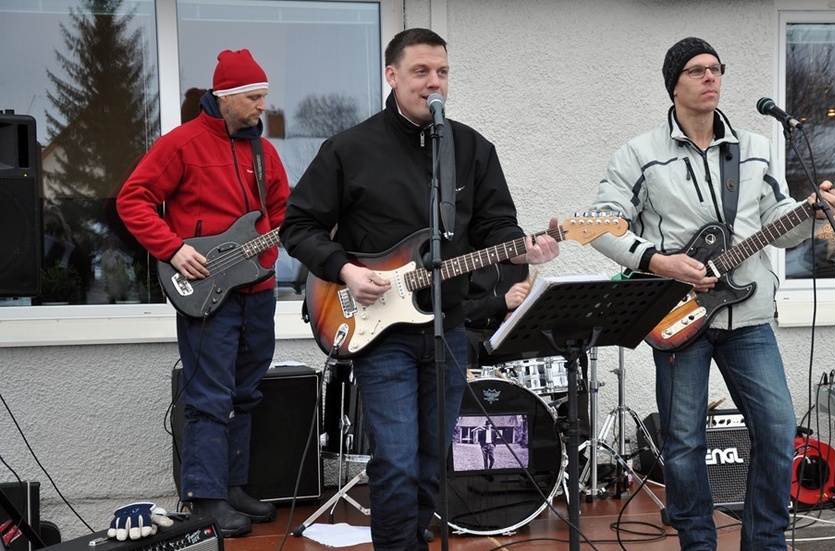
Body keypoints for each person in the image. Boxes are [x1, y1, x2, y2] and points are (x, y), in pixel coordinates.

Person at [279, 27, 560, 551]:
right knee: (397, 462)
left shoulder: (473, 149)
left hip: (446, 329)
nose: (435, 83)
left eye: (443, 72)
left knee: (433, 461)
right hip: (377, 331)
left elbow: (497, 227)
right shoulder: (349, 149)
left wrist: (523, 248)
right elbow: (298, 226)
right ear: (392, 75)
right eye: (421, 71)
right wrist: (345, 269)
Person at [588, 37, 835, 550]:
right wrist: (659, 261)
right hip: (679, 318)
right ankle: (698, 544)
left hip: (747, 315)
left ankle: (765, 542)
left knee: (776, 434)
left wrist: (811, 214)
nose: (710, 78)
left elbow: (776, 221)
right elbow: (599, 226)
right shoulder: (640, 155)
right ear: (674, 83)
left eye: (716, 69)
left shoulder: (754, 149)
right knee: (684, 444)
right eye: (696, 70)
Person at [115, 49, 289, 538]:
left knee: (246, 393)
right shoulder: (182, 144)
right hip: (205, 292)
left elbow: (281, 215)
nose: (262, 106)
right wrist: (172, 250)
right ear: (225, 97)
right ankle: (207, 501)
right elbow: (134, 199)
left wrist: (274, 252)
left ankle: (232, 488)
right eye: (254, 97)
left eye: (263, 97)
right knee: (209, 397)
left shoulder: (265, 153)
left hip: (258, 290)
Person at [462, 263, 530, 370]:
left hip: (497, 333)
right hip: (464, 330)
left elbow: (517, 300)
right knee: (464, 344)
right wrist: (502, 302)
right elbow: (452, 308)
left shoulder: (518, 256)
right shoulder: (462, 251)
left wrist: (514, 312)